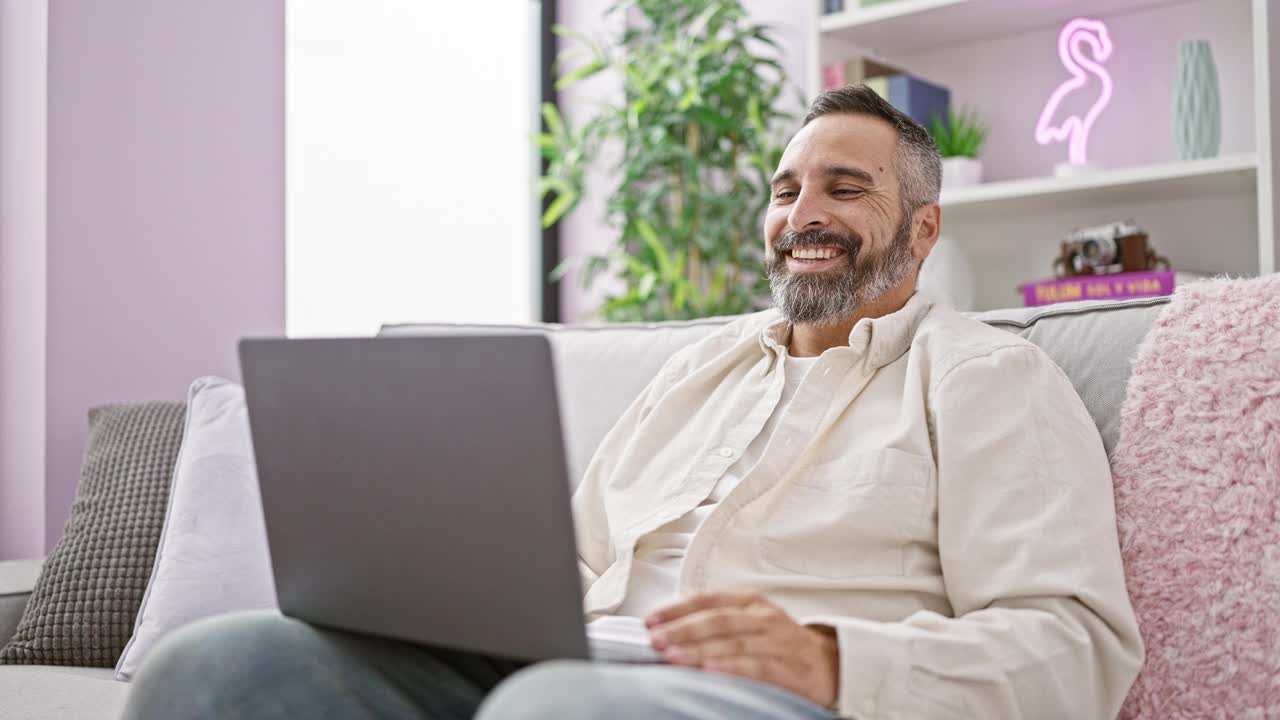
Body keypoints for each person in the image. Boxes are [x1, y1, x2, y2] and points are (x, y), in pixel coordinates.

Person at [122, 84, 1143, 720]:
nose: (803, 215)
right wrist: (442, 597)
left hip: (789, 697)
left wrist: (831, 659)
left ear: (922, 233)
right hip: (580, 666)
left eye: (844, 187)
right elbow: (576, 557)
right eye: (785, 190)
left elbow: (1074, 651)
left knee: (548, 709)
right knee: (221, 666)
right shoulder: (699, 370)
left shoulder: (984, 378)